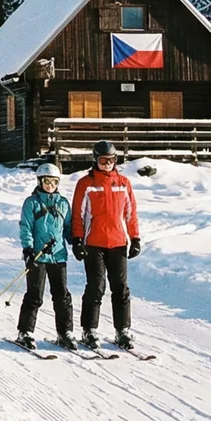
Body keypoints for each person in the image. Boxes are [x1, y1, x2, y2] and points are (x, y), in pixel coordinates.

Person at [70, 140, 141, 350]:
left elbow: (130, 213)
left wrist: (135, 238)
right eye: (103, 160)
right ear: (95, 160)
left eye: (111, 160)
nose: (107, 164)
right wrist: (77, 239)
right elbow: (78, 214)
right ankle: (89, 330)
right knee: (96, 287)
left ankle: (123, 331)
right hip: (94, 243)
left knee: (120, 288)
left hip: (118, 243)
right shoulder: (86, 183)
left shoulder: (123, 183)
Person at [17, 163, 75, 350]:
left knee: (62, 296)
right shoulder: (31, 202)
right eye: (46, 181)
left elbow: (67, 228)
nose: (50, 185)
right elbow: (25, 227)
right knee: (35, 295)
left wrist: (77, 242)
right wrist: (28, 250)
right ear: (40, 181)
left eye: (54, 182)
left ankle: (65, 332)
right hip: (38, 256)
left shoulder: (63, 203)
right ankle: (25, 332)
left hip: (58, 256)